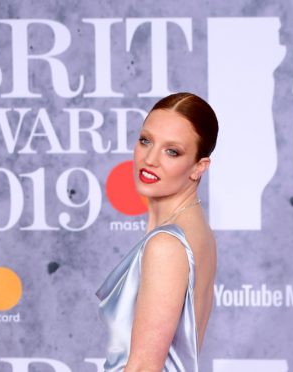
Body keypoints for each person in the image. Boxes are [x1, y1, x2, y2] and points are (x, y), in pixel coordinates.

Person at [96, 92, 219, 371]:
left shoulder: (166, 245)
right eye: (145, 141)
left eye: (172, 151)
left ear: (199, 167)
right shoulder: (198, 232)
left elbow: (143, 367)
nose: (150, 159)